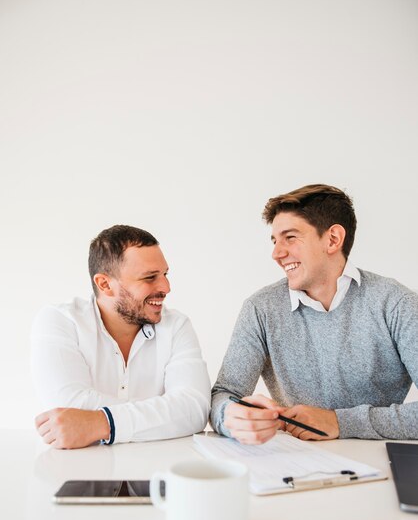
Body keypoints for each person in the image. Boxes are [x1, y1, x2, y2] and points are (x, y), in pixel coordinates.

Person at [211, 184, 418, 444]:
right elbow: (224, 395)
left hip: (379, 464)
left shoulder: (397, 304)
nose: (276, 253)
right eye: (275, 240)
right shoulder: (260, 309)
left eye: (290, 237)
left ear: (333, 239)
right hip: (294, 464)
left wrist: (339, 421)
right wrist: (232, 417)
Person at [32, 225, 211, 449]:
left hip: (156, 472)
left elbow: (194, 409)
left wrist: (101, 423)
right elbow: (67, 406)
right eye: (149, 277)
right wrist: (166, 414)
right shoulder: (60, 321)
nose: (166, 287)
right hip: (81, 473)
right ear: (105, 284)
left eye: (165, 274)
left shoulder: (176, 325)